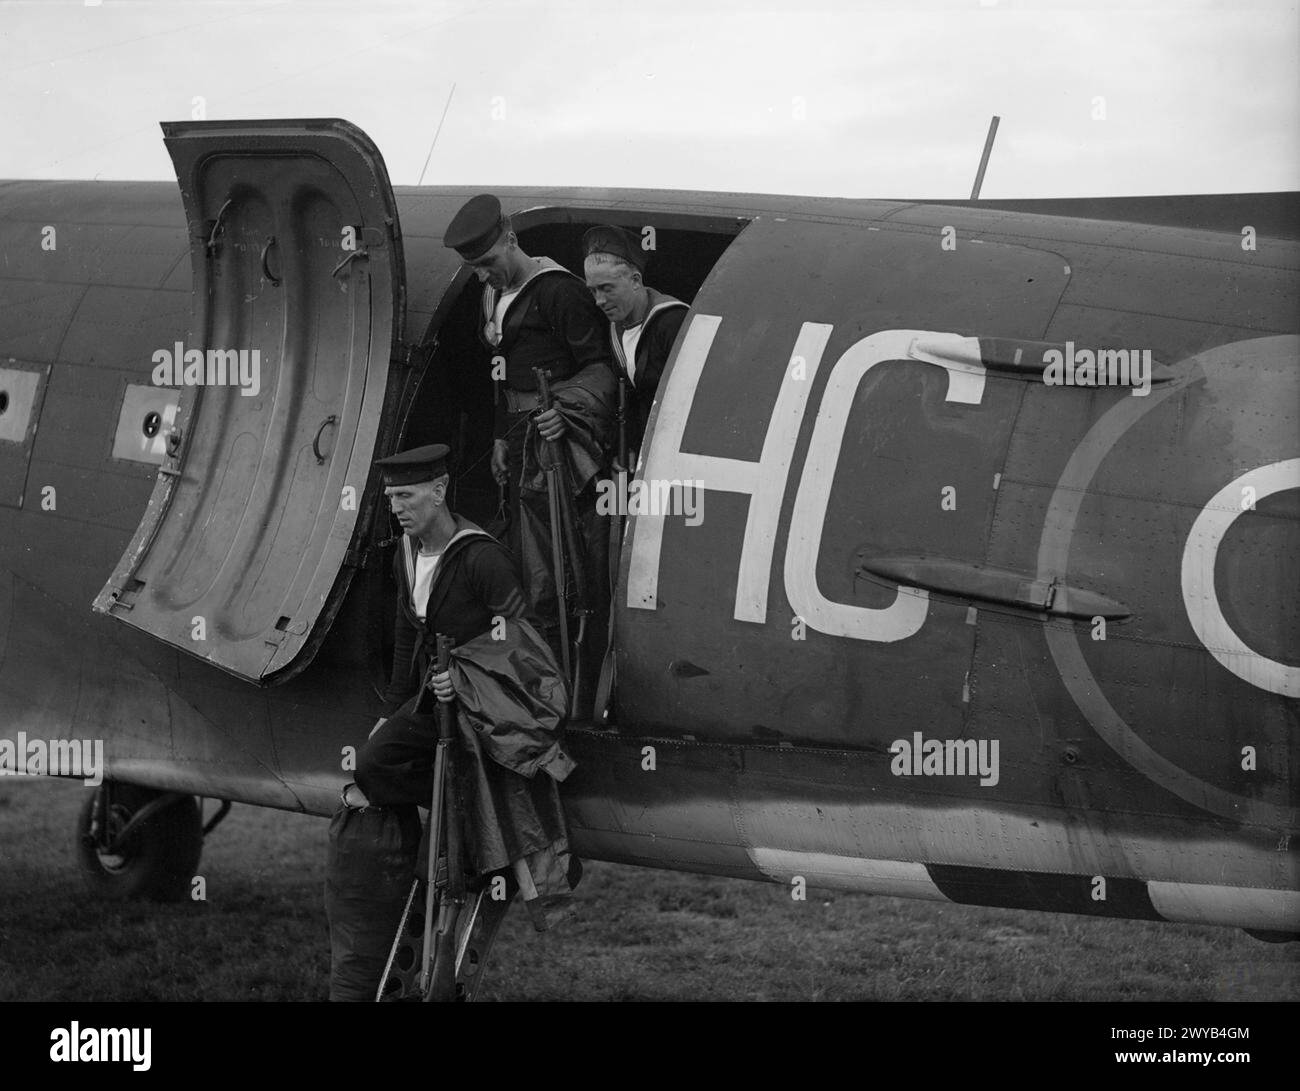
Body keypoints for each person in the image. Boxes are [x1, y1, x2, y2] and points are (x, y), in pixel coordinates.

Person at [324, 443, 573, 1002]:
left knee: (431, 781)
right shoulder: (407, 553)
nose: (398, 508)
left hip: (485, 709)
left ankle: (460, 819)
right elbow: (408, 631)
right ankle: (455, 811)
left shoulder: (484, 557)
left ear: (439, 491)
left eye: (407, 496)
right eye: (391, 498)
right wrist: (391, 709)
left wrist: (461, 673)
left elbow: (522, 640)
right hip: (428, 704)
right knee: (369, 767)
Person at [444, 194, 616, 717]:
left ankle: (573, 685)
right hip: (519, 436)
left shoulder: (559, 292)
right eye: (475, 269)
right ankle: (536, 674)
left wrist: (565, 412)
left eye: (489, 263)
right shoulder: (491, 294)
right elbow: (502, 371)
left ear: (511, 240)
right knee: (526, 551)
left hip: (560, 440)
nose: (485, 276)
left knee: (562, 558)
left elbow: (601, 366)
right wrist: (499, 435)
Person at [582, 225, 689, 464]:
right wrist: (627, 445)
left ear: (635, 280)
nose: (599, 301)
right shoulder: (615, 327)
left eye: (607, 289)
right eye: (593, 291)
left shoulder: (672, 321)